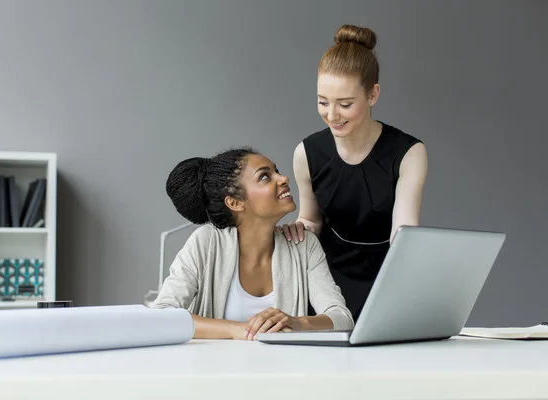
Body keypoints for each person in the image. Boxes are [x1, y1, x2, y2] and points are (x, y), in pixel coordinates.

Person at [280, 24, 428, 321]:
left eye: (345, 104)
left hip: (386, 278)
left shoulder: (409, 153)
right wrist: (296, 230)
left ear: (373, 94)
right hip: (326, 284)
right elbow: (310, 220)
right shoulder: (306, 153)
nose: (332, 115)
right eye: (323, 102)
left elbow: (404, 233)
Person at [150, 147, 354, 340]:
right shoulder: (207, 242)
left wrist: (298, 323)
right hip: (214, 372)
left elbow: (342, 318)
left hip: (284, 370)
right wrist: (236, 330)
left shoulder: (303, 244)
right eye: (265, 176)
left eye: (276, 171)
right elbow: (162, 315)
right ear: (235, 203)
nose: (283, 179)